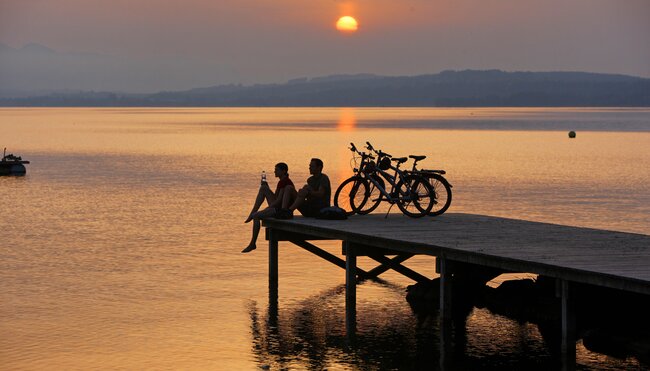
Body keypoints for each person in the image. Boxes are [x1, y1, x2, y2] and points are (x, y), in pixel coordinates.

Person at [242, 163, 295, 253]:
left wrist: (267, 208)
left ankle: (252, 243)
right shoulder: (282, 181)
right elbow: (277, 198)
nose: (274, 171)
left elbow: (278, 202)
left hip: (279, 210)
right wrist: (267, 186)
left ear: (284, 171)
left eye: (277, 170)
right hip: (277, 206)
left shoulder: (285, 182)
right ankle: (252, 213)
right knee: (263, 188)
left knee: (256, 216)